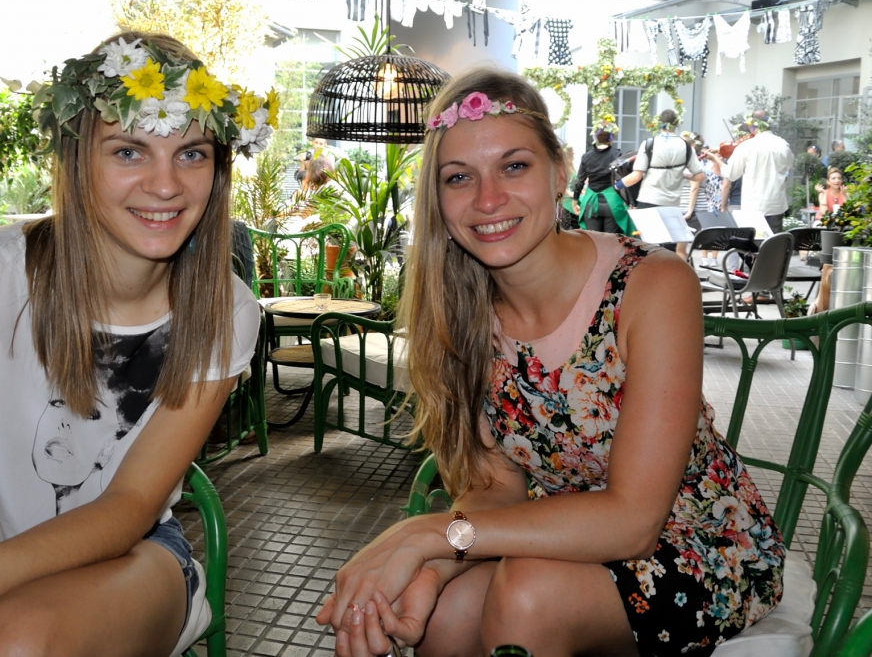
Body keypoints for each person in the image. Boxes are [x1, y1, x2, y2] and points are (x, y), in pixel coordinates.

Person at [317, 69, 784, 657]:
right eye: (459, 177)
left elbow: (634, 520)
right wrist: (436, 568)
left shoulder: (651, 285)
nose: (488, 199)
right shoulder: (460, 316)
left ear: (560, 171)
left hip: (700, 542)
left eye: (514, 166)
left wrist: (427, 534)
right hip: (560, 537)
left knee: (528, 593)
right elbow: (497, 489)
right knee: (446, 615)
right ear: (437, 200)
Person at [0, 31, 274, 657]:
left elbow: (132, 504)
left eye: (192, 154)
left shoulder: (225, 310)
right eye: (130, 151)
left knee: (17, 639)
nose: (166, 185)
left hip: (135, 557)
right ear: (76, 159)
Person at [615, 109, 703, 212]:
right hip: (672, 204)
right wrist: (684, 175)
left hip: (649, 199)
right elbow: (700, 176)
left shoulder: (649, 144)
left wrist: (617, 186)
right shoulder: (687, 147)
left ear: (659, 123)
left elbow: (636, 176)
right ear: (676, 124)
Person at [723, 109, 794, 233]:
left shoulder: (747, 146)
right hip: (775, 204)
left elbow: (731, 175)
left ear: (752, 126)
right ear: (770, 124)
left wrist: (718, 162)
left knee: (752, 247)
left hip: (753, 206)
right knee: (774, 244)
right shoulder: (783, 145)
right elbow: (788, 166)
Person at [572, 128, 632, 235]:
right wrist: (630, 201)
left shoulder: (586, 156)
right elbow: (623, 179)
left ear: (596, 138)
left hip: (591, 203)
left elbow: (579, 180)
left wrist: (575, 200)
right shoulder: (617, 154)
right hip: (612, 204)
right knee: (611, 241)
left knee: (593, 241)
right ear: (611, 139)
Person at [683, 136, 726, 267]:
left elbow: (726, 186)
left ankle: (714, 258)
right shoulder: (705, 167)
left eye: (721, 155)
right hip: (708, 201)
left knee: (717, 232)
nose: (720, 157)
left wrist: (724, 204)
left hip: (718, 201)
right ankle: (704, 257)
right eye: (717, 155)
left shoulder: (725, 169)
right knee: (705, 231)